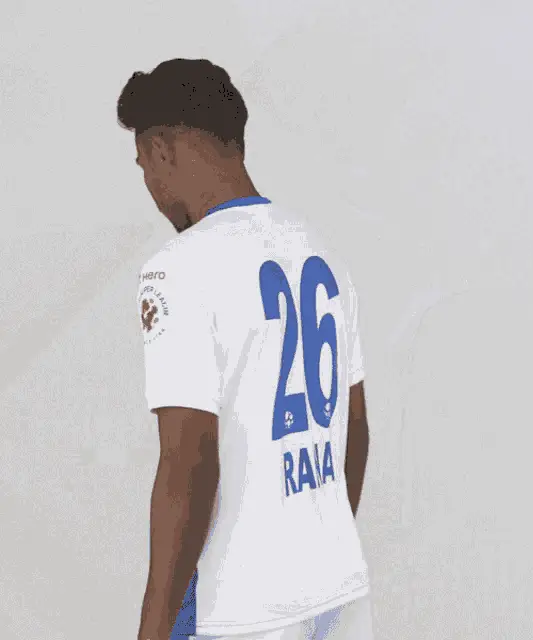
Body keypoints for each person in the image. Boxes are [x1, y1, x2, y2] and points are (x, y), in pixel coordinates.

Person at [116, 58, 374, 640]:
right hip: (337, 590)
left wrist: (153, 628)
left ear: (160, 150)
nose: (151, 190)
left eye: (143, 167)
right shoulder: (319, 250)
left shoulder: (178, 268)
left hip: (240, 610)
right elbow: (353, 429)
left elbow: (188, 460)